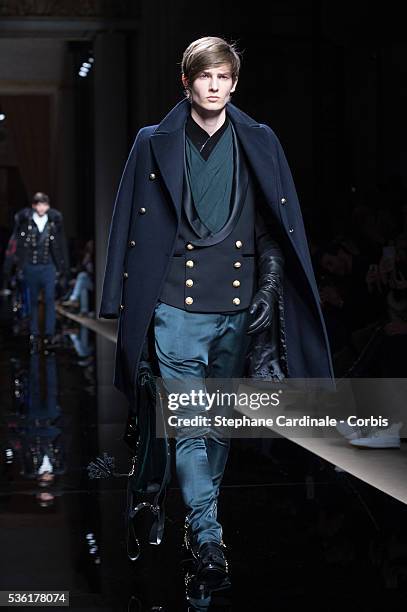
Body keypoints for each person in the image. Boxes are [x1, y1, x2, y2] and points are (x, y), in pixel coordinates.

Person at [99, 36, 334, 584]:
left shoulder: (258, 140)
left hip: (234, 304)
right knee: (189, 425)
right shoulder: (152, 141)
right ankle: (207, 535)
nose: (213, 85)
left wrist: (270, 287)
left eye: (223, 77)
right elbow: (126, 226)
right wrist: (116, 299)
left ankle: (146, 491)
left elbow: (276, 225)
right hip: (172, 306)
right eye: (204, 76)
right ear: (187, 82)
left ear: (232, 83)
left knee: (214, 429)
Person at [4, 192, 69, 350]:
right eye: (38, 204)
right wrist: (13, 268)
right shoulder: (25, 222)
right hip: (30, 267)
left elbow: (61, 246)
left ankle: (49, 334)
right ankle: (33, 334)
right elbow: (16, 246)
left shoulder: (54, 223)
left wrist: (64, 269)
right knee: (32, 301)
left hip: (48, 267)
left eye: (44, 204)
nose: (41, 207)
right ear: (34, 206)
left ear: (48, 206)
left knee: (49, 300)